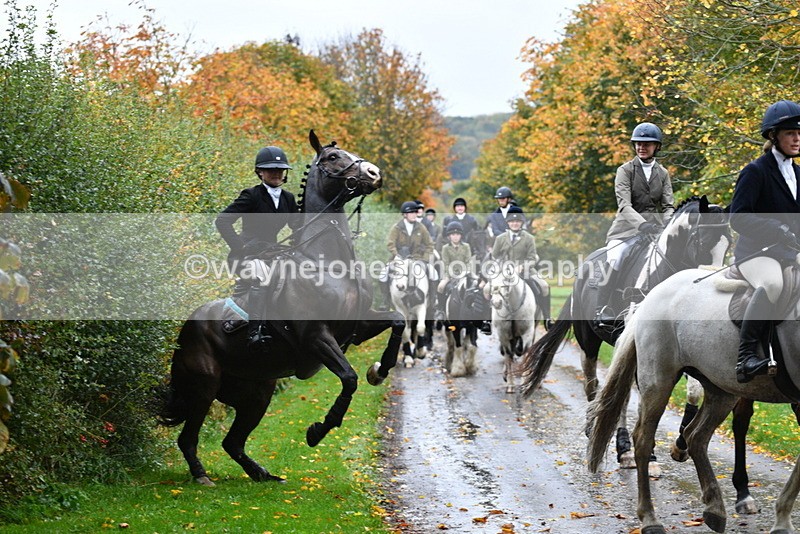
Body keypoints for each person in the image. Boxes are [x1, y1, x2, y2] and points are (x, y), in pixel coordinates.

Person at [730, 100, 800, 383]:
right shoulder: (755, 171)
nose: (797, 138)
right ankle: (745, 356)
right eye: (789, 133)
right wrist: (776, 228)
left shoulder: (798, 173)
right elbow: (737, 218)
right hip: (757, 253)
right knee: (773, 283)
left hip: (789, 252)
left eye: (799, 133)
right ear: (773, 136)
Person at [215, 145, 300, 352]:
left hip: (271, 253)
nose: (276, 173)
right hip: (246, 255)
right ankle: (255, 331)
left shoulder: (288, 198)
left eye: (280, 170)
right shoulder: (251, 195)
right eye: (270, 169)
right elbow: (222, 221)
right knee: (262, 276)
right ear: (260, 172)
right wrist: (241, 247)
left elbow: (298, 226)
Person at [594, 122, 675, 326]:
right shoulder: (625, 170)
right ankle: (602, 307)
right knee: (616, 257)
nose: (641, 147)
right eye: (638, 143)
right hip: (626, 230)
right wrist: (642, 225)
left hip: (655, 231)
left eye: (647, 144)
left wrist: (666, 226)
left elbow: (668, 206)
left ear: (657, 146)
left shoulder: (663, 173)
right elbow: (624, 205)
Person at [491, 206, 552, 329]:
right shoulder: (500, 238)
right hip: (505, 272)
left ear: (521, 223)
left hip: (526, 271)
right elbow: (495, 256)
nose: (515, 224)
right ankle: (487, 320)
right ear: (508, 222)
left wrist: (522, 267)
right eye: (512, 221)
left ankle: (547, 318)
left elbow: (532, 258)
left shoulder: (529, 238)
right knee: (487, 289)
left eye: (517, 221)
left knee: (544, 286)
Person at [378, 201, 436, 310]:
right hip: (399, 259)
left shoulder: (421, 227)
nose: (415, 214)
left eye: (415, 212)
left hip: (417, 259)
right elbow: (390, 244)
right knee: (383, 274)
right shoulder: (397, 228)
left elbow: (430, 244)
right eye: (411, 212)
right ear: (405, 214)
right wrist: (396, 255)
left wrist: (425, 258)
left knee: (434, 273)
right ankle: (386, 301)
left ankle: (433, 301)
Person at [436, 221, 473, 319]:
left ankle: (475, 310)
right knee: (440, 286)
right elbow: (446, 263)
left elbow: (468, 261)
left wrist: (465, 272)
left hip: (464, 273)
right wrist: (451, 274)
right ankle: (441, 310)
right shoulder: (445, 248)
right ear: (449, 236)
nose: (455, 237)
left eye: (457, 234)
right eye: (453, 234)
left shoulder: (466, 246)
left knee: (475, 286)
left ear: (461, 235)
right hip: (449, 274)